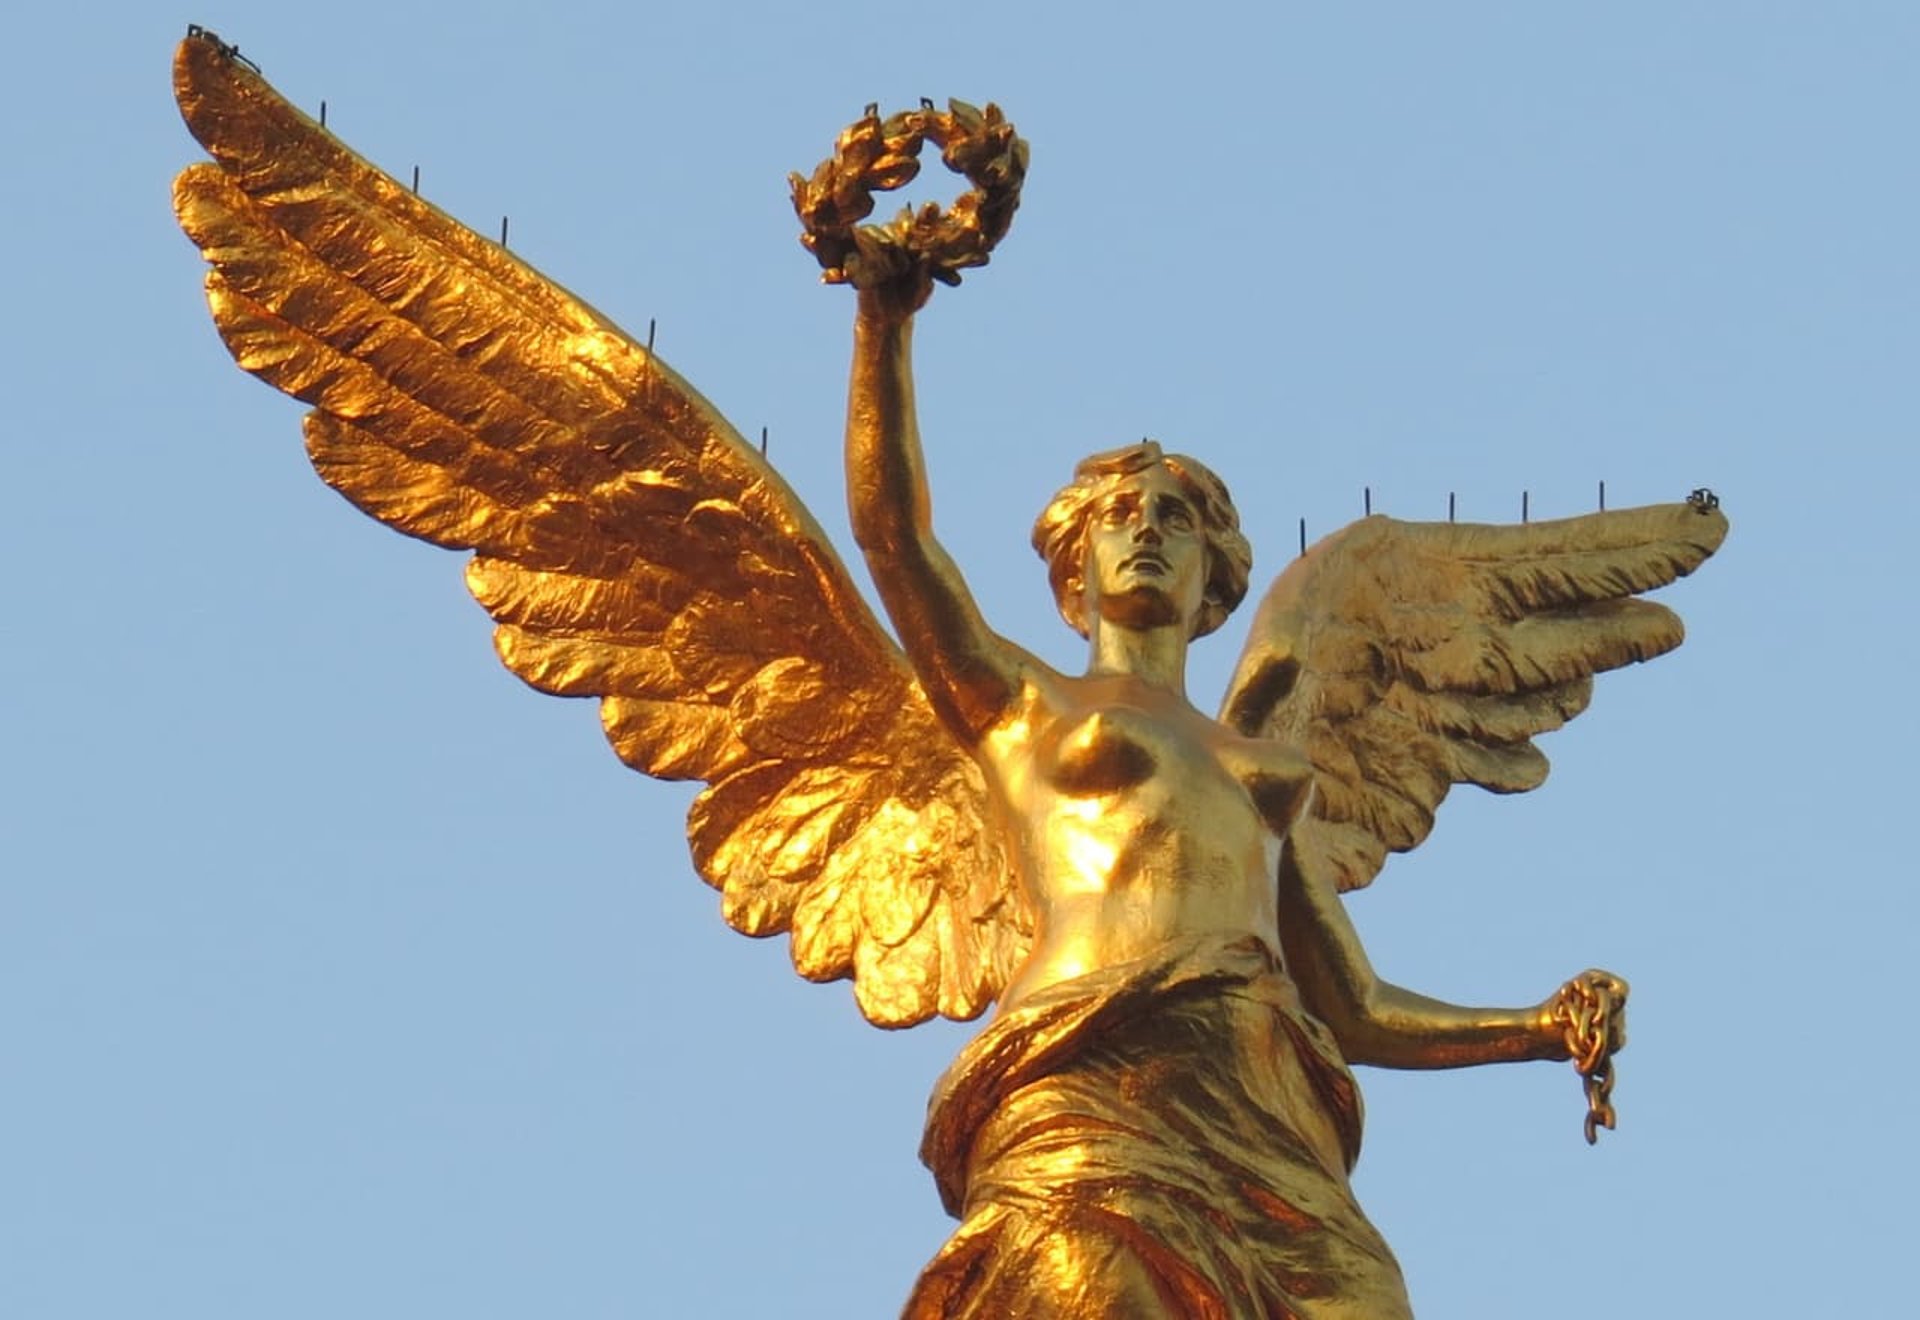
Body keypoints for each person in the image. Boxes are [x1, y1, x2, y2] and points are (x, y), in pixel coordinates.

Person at [845, 270, 1587, 1319]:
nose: (1146, 530)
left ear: (1215, 570)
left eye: (1177, 519)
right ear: (1076, 558)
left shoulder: (1266, 767)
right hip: (1085, 1075)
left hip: (1264, 1097)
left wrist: (1540, 1026)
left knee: (1369, 1304)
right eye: (1119, 515)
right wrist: (886, 321)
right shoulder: (1023, 706)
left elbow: (1358, 1008)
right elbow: (894, 539)